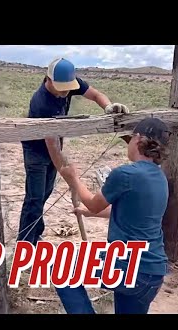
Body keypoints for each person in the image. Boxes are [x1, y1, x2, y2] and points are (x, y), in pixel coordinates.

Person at [54, 116, 171, 314]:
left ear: (137, 139)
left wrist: (73, 179)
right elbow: (134, 212)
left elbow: (93, 202)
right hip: (153, 273)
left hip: (129, 266)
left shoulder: (126, 174)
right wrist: (90, 213)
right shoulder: (160, 177)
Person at [17, 57, 129, 245]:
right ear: (49, 80)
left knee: (45, 193)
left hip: (54, 144)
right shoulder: (41, 103)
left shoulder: (70, 83)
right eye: (62, 88)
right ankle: (26, 243)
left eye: (69, 88)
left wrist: (108, 106)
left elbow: (95, 95)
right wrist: (66, 172)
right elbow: (51, 143)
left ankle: (36, 233)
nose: (66, 92)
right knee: (35, 198)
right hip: (36, 150)